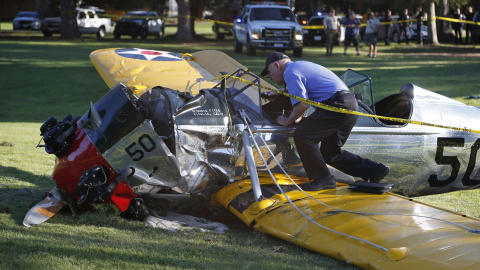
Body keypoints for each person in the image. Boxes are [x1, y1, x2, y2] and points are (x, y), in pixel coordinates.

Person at [259, 52, 390, 191]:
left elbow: (303, 104)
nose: (271, 78)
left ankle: (322, 179)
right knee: (330, 153)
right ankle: (375, 170)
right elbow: (304, 87)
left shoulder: (290, 72)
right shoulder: (298, 67)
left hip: (337, 105)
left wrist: (287, 120)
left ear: (277, 65)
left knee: (303, 136)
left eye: (269, 74)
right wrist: (279, 93)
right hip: (350, 104)